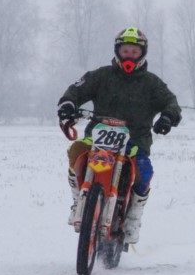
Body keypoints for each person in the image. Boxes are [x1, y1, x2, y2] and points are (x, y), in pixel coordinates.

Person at [56, 27, 181, 245]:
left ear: (142, 54)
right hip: (96, 138)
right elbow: (75, 90)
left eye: (134, 52)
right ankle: (78, 201)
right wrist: (68, 104)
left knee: (144, 171)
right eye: (125, 51)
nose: (129, 56)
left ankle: (133, 219)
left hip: (134, 141)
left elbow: (171, 102)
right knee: (76, 152)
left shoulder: (152, 83)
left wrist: (168, 117)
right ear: (117, 51)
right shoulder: (100, 76)